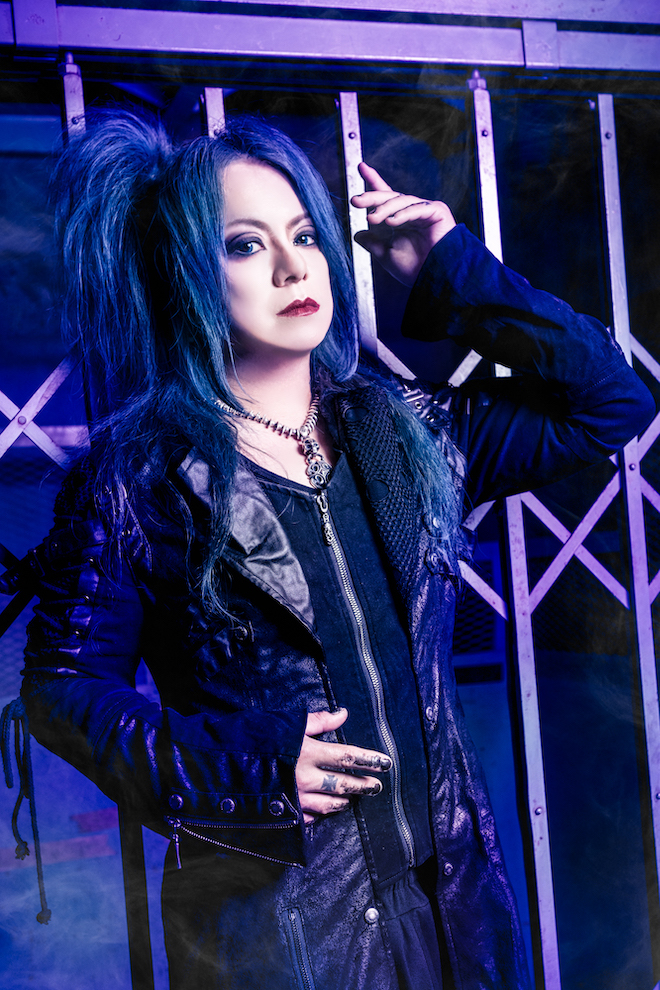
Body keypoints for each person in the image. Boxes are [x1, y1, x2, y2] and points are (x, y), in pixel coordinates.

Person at [18, 110, 653, 990]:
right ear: (184, 274)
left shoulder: (412, 436)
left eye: (305, 235)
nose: (293, 267)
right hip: (281, 935)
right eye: (246, 245)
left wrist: (449, 266)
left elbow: (613, 401)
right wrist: (243, 764)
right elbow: (60, 689)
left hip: (454, 914)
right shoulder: (138, 482)